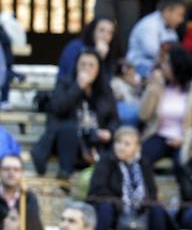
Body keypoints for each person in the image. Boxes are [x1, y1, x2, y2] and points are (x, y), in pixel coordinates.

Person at [88, 127, 170, 230]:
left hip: (138, 210)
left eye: (127, 144)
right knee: (105, 208)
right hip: (114, 210)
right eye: (118, 142)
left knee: (157, 210)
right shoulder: (106, 160)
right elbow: (97, 189)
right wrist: (120, 202)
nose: (121, 147)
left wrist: (141, 204)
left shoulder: (144, 163)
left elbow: (152, 192)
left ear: (136, 148)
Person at [32, 49, 118, 178]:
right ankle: (65, 173)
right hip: (68, 141)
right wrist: (78, 87)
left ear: (98, 69)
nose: (86, 69)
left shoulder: (105, 90)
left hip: (95, 139)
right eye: (82, 64)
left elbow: (114, 119)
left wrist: (109, 132)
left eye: (91, 65)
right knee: (69, 129)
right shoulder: (64, 83)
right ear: (76, 65)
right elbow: (57, 108)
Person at [138, 44, 192, 174]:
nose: (163, 67)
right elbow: (143, 115)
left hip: (188, 137)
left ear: (178, 66)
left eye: (167, 64)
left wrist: (186, 137)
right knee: (139, 160)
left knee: (184, 165)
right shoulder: (160, 86)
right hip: (159, 135)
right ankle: (147, 193)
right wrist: (153, 87)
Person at [126, 0, 185, 78]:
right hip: (138, 66)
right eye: (179, 15)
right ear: (167, 12)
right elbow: (154, 53)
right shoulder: (149, 25)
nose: (181, 20)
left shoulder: (170, 27)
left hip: (159, 65)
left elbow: (176, 51)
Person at [58, 16, 116, 81]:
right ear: (92, 31)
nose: (105, 35)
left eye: (110, 32)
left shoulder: (108, 52)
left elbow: (105, 83)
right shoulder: (75, 47)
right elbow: (75, 76)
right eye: (101, 30)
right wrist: (98, 57)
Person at [0, 154, 41, 222]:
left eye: (16, 170)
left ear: (22, 173)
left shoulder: (29, 198)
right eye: (6, 169)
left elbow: (33, 226)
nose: (11, 173)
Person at [110, 59, 142, 128]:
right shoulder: (116, 84)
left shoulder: (134, 84)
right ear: (122, 75)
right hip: (124, 118)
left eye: (133, 73)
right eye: (130, 74)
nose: (133, 76)